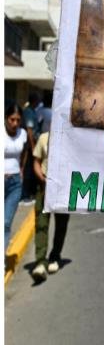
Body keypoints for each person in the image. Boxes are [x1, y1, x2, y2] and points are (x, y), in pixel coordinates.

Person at [31, 118, 70, 283]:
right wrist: (43, 180)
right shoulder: (44, 138)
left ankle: (55, 256)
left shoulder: (69, 141)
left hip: (62, 190)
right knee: (41, 224)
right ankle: (40, 261)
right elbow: (36, 163)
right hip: (44, 187)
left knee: (61, 225)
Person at [5, 102, 28, 252]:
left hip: (14, 184)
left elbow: (24, 151)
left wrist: (21, 170)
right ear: (6, 118)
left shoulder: (23, 133)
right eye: (12, 119)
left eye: (18, 120)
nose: (15, 123)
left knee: (5, 222)